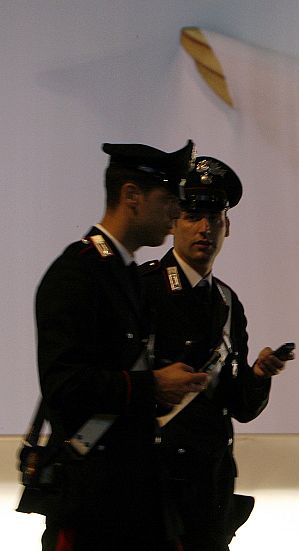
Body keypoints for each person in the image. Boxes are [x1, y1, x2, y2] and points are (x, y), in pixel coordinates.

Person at [21, 141, 210, 551]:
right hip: (93, 509)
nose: (176, 213)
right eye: (168, 199)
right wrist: (151, 385)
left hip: (134, 500)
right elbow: (65, 387)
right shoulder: (77, 273)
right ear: (131, 196)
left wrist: (164, 389)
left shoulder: (124, 274)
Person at [140, 156, 292, 551]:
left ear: (228, 226)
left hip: (209, 492)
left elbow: (238, 406)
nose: (204, 228)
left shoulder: (227, 302)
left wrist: (258, 375)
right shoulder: (141, 289)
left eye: (214, 217)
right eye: (193, 215)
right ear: (173, 222)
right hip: (152, 490)